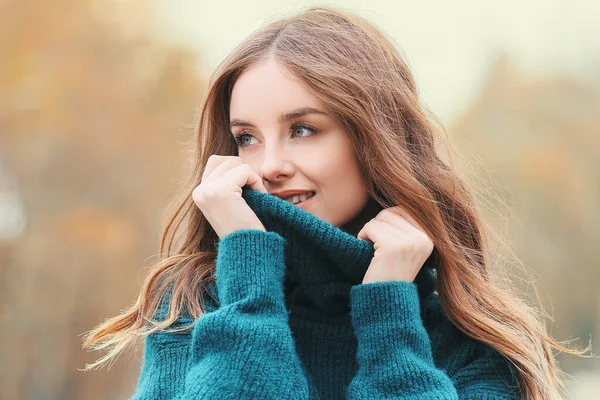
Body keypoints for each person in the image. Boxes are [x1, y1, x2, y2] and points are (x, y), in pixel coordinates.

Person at [81, 6, 587, 399]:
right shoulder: (194, 303)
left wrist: (390, 310)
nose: (269, 164)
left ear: (374, 139)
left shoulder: (467, 333)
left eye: (302, 130)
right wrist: (248, 268)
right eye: (246, 137)